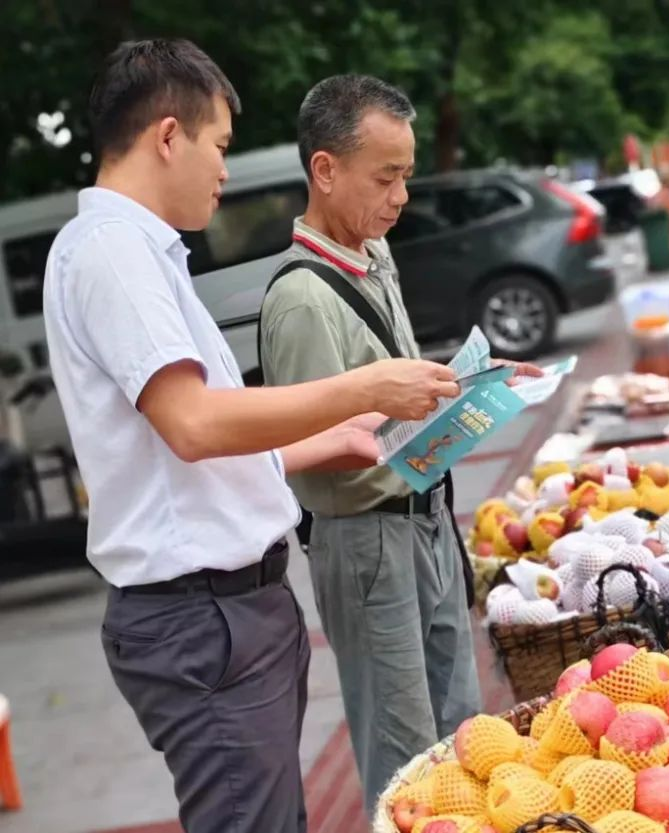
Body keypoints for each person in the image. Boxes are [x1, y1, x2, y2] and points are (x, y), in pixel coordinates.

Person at [42, 40, 459, 833]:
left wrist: (325, 437)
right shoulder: (113, 252)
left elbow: (181, 450)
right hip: (202, 618)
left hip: (227, 612)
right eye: (220, 147)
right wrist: (363, 386)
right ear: (169, 136)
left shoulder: (140, 254)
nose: (225, 173)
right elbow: (194, 425)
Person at [259, 74, 540, 811]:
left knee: (461, 732)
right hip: (367, 540)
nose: (401, 196)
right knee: (406, 754)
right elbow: (311, 439)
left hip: (425, 520)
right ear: (325, 169)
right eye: (386, 177)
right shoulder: (300, 300)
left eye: (406, 176)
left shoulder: (375, 258)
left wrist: (467, 383)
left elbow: (395, 387)